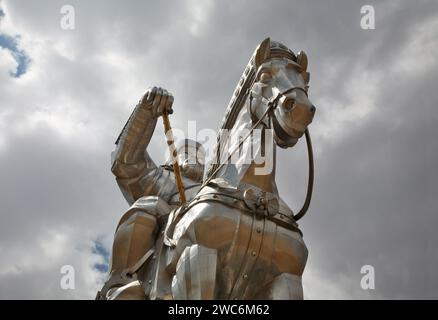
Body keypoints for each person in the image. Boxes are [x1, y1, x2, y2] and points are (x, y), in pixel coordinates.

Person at [96, 87, 205, 300]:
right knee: (149, 205)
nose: (194, 160)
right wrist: (144, 113)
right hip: (169, 247)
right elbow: (126, 164)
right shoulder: (166, 181)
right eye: (186, 153)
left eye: (199, 156)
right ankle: (121, 282)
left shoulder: (225, 189)